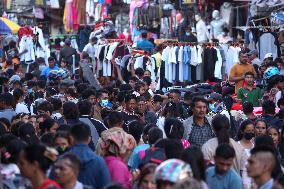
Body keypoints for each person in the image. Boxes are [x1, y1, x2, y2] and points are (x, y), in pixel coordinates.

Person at [67, 122, 112, 188]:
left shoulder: (63, 159)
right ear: (89, 139)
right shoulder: (99, 161)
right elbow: (106, 185)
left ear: (70, 139)